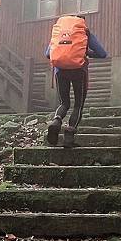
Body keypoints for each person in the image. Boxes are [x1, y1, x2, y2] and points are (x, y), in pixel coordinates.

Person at [45, 15, 107, 148]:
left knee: (64, 103)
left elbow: (48, 54)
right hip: (79, 71)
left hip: (60, 70)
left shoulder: (59, 32)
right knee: (78, 105)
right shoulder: (84, 32)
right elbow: (102, 53)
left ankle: (56, 121)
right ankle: (69, 136)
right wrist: (86, 52)